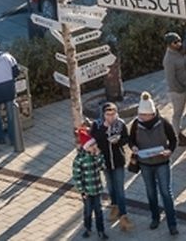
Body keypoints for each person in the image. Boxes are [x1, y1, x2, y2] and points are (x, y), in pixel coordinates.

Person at [128, 93, 179, 235]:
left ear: (152, 114)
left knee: (166, 193)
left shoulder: (163, 123)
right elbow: (131, 140)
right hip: (145, 164)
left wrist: (170, 151)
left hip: (162, 162)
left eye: (145, 115)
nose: (142, 118)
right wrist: (133, 147)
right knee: (150, 192)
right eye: (141, 115)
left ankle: (172, 224)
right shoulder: (136, 124)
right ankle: (155, 217)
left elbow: (173, 140)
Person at [92, 103, 132, 232]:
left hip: (118, 160)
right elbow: (94, 139)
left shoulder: (120, 124)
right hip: (105, 161)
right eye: (108, 114)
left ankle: (123, 214)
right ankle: (114, 206)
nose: (110, 117)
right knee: (110, 186)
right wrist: (105, 129)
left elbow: (126, 138)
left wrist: (118, 141)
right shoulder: (97, 125)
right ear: (103, 114)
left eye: (113, 114)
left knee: (119, 188)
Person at [72, 127, 108, 239]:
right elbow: (77, 176)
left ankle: (101, 230)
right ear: (86, 147)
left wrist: (97, 156)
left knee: (98, 211)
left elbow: (102, 167)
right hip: (87, 191)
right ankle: (87, 228)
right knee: (88, 211)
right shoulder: (79, 159)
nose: (94, 147)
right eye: (92, 145)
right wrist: (82, 190)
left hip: (97, 189)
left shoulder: (97, 155)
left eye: (94, 145)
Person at [162, 33, 186, 147]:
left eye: (179, 41)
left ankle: (181, 134)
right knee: (177, 114)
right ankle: (178, 137)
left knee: (180, 113)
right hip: (177, 91)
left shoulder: (180, 52)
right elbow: (171, 79)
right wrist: (181, 89)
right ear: (169, 44)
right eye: (175, 42)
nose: (179, 43)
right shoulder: (169, 59)